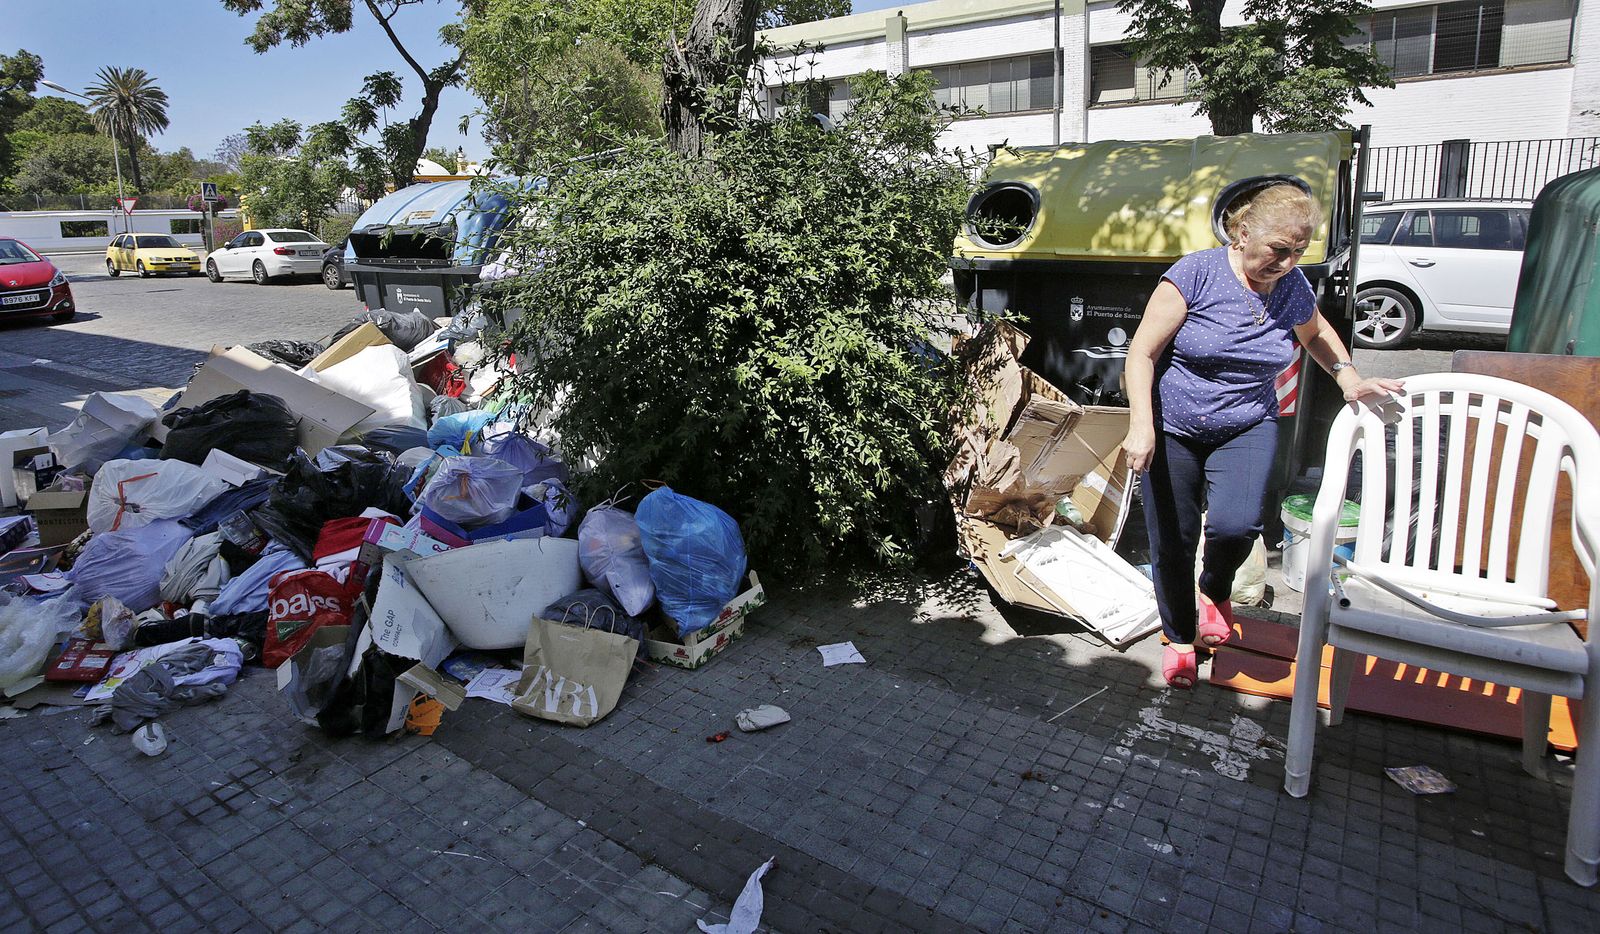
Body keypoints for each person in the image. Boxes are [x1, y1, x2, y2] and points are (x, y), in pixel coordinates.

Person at [1121, 183, 1404, 689]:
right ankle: (1180, 637)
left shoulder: (1292, 286)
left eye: (1299, 251)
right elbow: (1141, 352)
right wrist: (1141, 425)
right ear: (1244, 232)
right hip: (1173, 426)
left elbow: (1315, 332)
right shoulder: (1195, 274)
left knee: (1238, 525)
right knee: (1173, 540)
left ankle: (1214, 589)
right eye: (1279, 249)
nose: (1288, 262)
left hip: (1248, 421)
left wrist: (1348, 379)